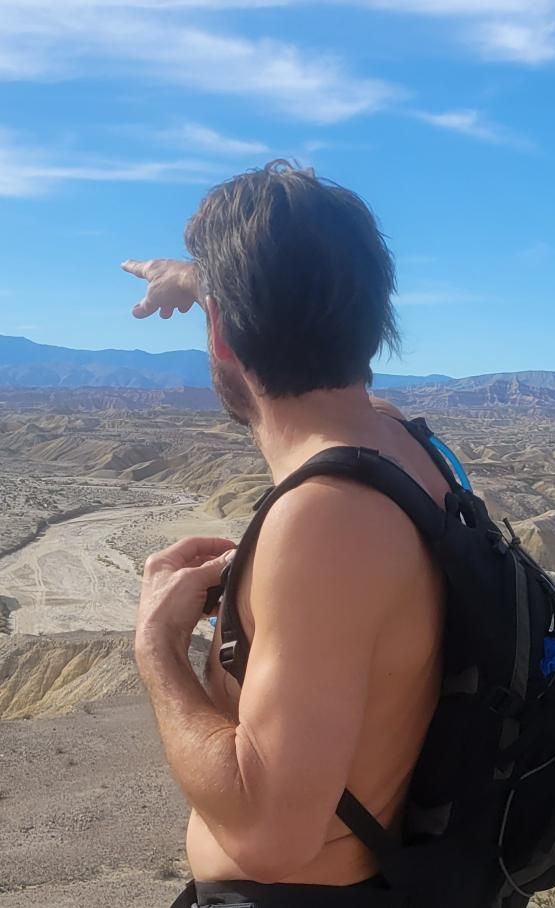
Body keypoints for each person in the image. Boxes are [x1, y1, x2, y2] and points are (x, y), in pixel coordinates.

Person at [123, 161, 452, 906]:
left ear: (219, 334)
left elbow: (270, 836)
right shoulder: (403, 444)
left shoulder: (325, 519)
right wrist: (205, 284)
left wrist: (156, 649)